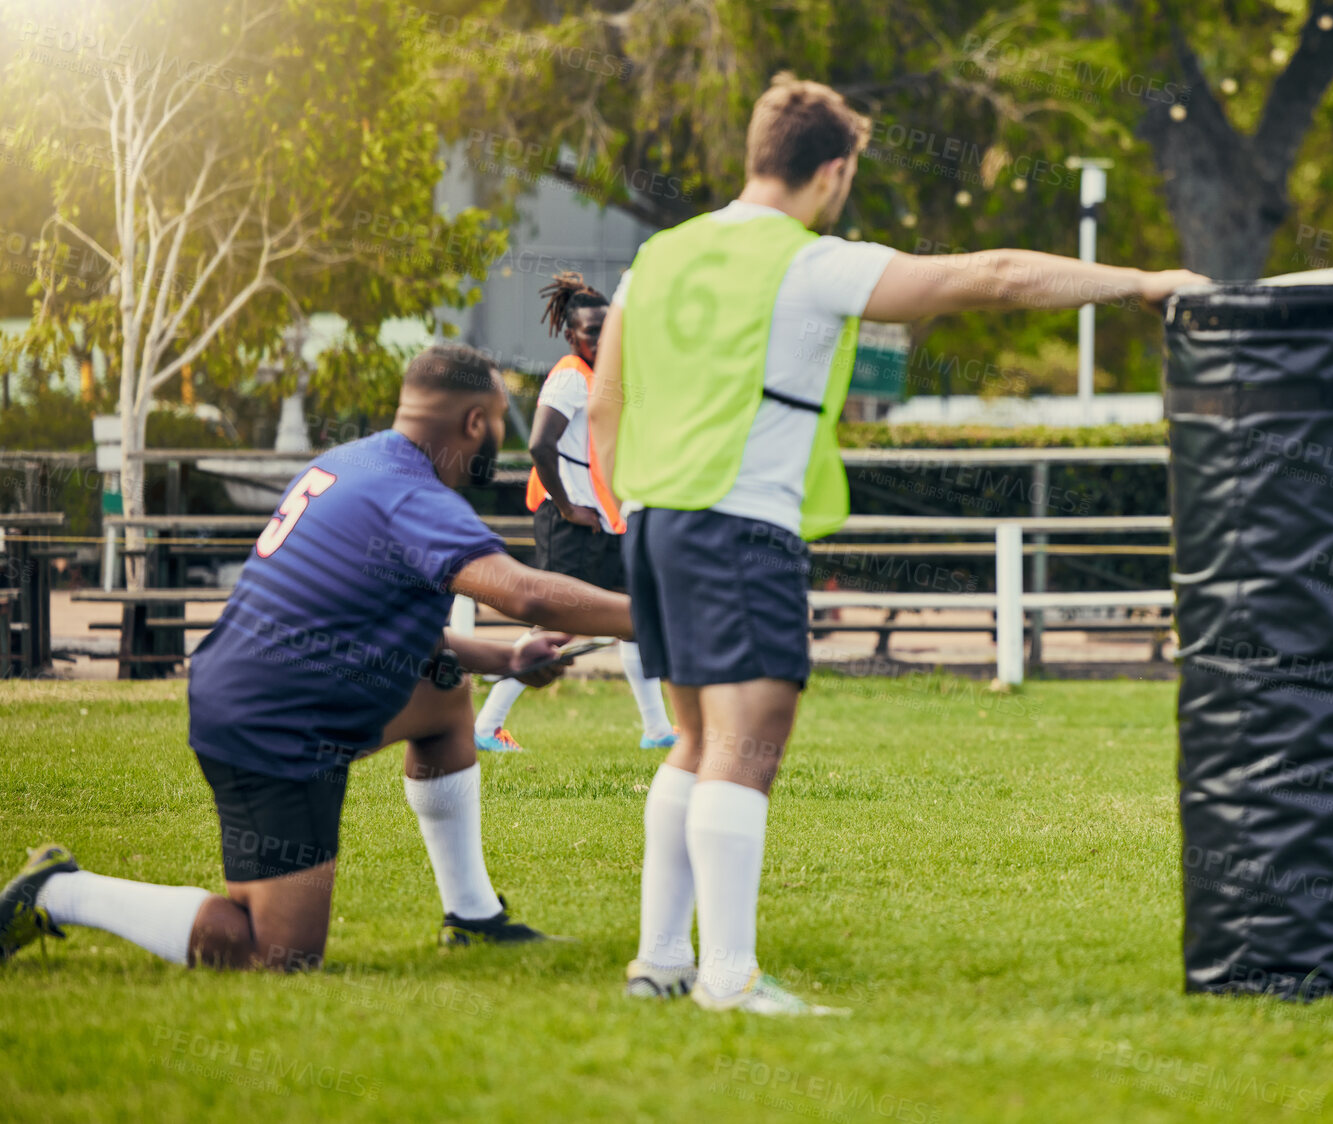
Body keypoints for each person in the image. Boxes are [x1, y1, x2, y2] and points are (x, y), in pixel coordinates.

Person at [589, 74, 1206, 1013]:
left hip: (657, 521)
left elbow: (604, 403)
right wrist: (1143, 283)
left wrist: (633, 505)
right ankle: (728, 979)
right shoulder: (809, 263)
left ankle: (662, 961)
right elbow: (989, 278)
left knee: (693, 740)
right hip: (740, 526)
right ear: (832, 172)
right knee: (745, 748)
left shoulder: (656, 257)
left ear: (759, 151)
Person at [1, 345, 634, 970]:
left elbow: (379, 626)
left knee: (443, 693)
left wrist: (507, 656)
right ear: (476, 423)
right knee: (273, 953)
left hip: (263, 690)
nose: (501, 437)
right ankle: (59, 891)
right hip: (274, 726)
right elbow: (526, 592)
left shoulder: (353, 462)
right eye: (499, 421)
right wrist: (650, 618)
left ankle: (473, 918)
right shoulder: (413, 497)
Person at [473, 272, 677, 753]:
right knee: (560, 627)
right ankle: (486, 725)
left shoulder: (603, 375)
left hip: (603, 521)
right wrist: (568, 506)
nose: (602, 340)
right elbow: (540, 444)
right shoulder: (568, 374)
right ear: (570, 335)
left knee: (632, 617)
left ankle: (656, 730)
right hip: (571, 523)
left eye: (608, 330)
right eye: (591, 332)